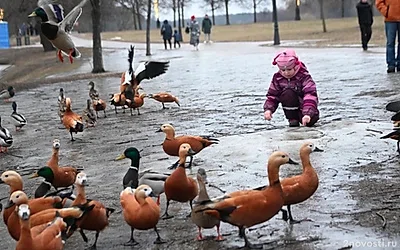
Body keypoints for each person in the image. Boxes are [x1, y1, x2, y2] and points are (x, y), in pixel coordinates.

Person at [264, 49, 319, 127]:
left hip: (308, 111)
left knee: (309, 122)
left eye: (289, 69)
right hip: (291, 109)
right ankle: (292, 119)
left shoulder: (304, 76)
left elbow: (310, 94)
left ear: (295, 66)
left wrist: (307, 113)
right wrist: (268, 109)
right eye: (283, 70)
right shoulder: (277, 78)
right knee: (288, 93)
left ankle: (306, 118)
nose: (286, 73)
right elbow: (272, 95)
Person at [376, 0, 400, 73]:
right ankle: (391, 64)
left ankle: (399, 63)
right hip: (390, 19)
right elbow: (379, 2)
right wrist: (386, 12)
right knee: (390, 42)